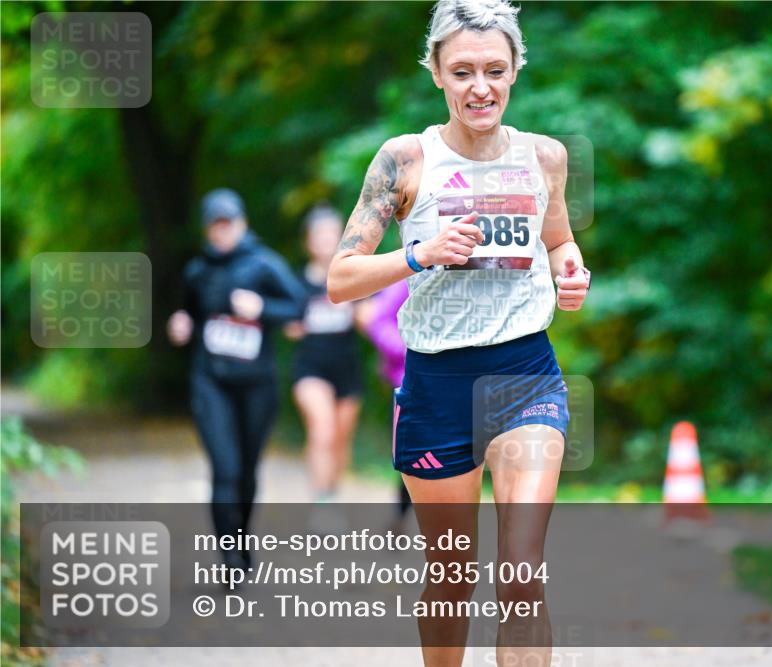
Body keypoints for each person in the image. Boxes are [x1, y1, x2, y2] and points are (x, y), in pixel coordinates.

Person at [326, 1, 590, 664]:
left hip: (526, 375)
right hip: (436, 384)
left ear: (515, 71)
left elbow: (558, 239)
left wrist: (570, 267)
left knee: (522, 572)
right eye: (464, 70)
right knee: (450, 576)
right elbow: (341, 278)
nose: (481, 86)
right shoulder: (405, 161)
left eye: (495, 70)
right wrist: (421, 253)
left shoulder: (545, 159)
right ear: (437, 74)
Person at [167, 188, 307, 573]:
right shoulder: (197, 271)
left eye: (228, 224)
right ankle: (229, 557)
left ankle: (242, 536)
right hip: (211, 382)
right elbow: (189, 314)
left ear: (242, 224)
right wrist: (182, 324)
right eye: (215, 225)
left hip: (257, 384)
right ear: (207, 229)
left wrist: (262, 308)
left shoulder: (264, 265)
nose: (222, 232)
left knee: (246, 472)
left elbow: (299, 306)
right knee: (224, 469)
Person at [284, 205, 364, 511]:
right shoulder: (296, 283)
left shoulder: (353, 277)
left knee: (340, 440)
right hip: (310, 368)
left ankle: (331, 492)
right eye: (319, 235)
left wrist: (356, 311)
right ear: (308, 241)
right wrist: (294, 323)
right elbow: (288, 324)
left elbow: (370, 320)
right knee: (322, 429)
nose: (325, 241)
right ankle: (321, 502)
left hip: (347, 367)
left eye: (332, 234)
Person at [353, 280, 411, 529]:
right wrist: (411, 350)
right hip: (411, 381)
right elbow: (379, 320)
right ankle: (401, 515)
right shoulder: (412, 274)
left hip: (469, 379)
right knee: (410, 455)